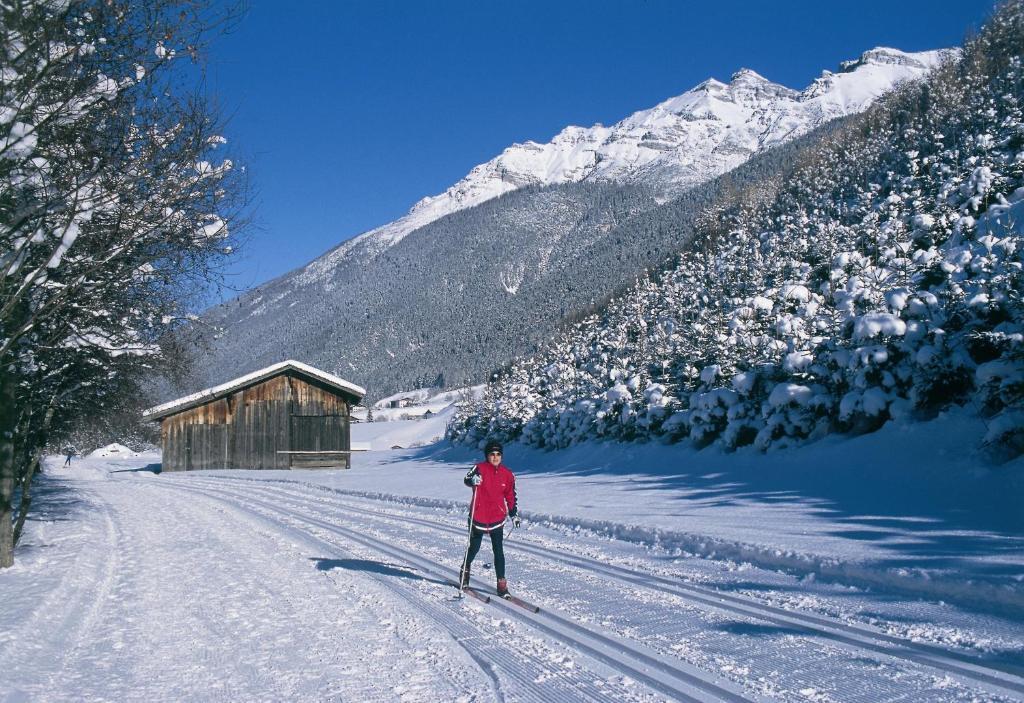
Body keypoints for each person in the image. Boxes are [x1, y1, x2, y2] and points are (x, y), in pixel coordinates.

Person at [460, 439, 520, 597]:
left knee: (498, 551)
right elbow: (467, 479)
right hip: (478, 516)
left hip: (496, 518)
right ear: (487, 455)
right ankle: (464, 572)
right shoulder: (479, 468)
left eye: (498, 454)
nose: (495, 457)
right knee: (474, 548)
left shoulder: (507, 474)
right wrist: (472, 480)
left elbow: (510, 496)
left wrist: (514, 513)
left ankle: (501, 584)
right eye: (492, 454)